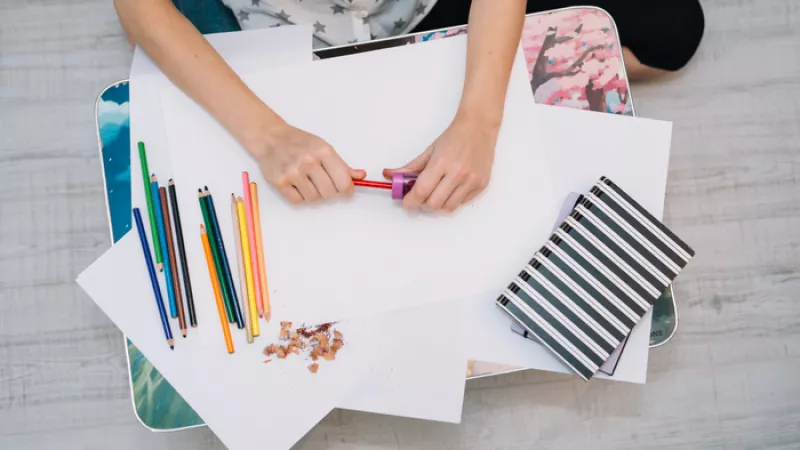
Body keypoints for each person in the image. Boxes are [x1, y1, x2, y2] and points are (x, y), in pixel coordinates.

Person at [115, 0, 704, 212]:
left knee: (671, 31)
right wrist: (268, 136)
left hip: (420, 8)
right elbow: (137, 6)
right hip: (276, 21)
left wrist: (480, 118)